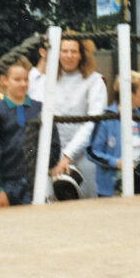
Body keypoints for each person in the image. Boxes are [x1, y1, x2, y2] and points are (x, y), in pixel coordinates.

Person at [0, 56, 56, 207]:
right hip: (6, 185)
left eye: (26, 79)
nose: (23, 84)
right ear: (5, 80)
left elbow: (53, 143)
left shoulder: (39, 108)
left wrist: (45, 165)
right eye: (17, 79)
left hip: (36, 183)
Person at [50, 36, 107, 199]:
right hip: (55, 154)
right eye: (64, 51)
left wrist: (68, 155)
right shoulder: (49, 80)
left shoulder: (95, 80)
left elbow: (93, 122)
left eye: (73, 51)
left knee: (91, 202)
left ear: (82, 54)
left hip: (86, 154)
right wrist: (56, 156)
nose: (69, 56)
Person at [87, 71, 140, 197]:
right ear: (130, 94)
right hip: (112, 186)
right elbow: (91, 151)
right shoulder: (106, 119)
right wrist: (116, 162)